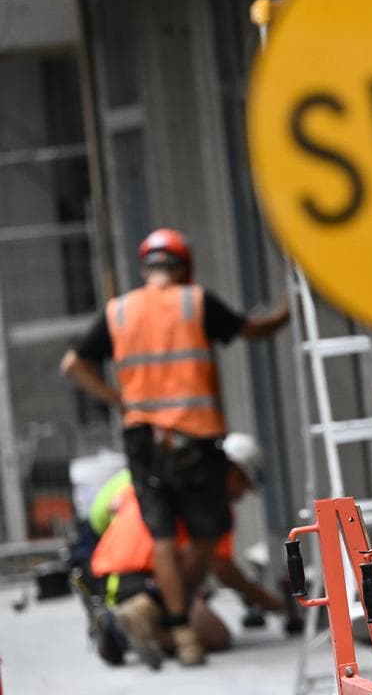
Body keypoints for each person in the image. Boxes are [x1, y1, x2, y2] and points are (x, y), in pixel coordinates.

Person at [61, 228, 289, 666]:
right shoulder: (195, 302)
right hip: (193, 437)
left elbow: (74, 364)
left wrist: (118, 400)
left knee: (163, 535)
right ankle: (166, 615)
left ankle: (180, 633)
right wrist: (284, 312)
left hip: (141, 439)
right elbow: (253, 329)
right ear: (185, 266)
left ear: (146, 266)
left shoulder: (119, 312)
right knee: (207, 533)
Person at [86, 433, 285, 668]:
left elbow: (101, 519)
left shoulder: (156, 479)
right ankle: (119, 629)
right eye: (244, 484)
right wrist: (269, 602)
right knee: (215, 636)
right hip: (142, 581)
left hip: (107, 578)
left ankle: (131, 625)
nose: (241, 496)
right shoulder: (211, 504)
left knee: (200, 614)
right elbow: (221, 567)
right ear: (233, 471)